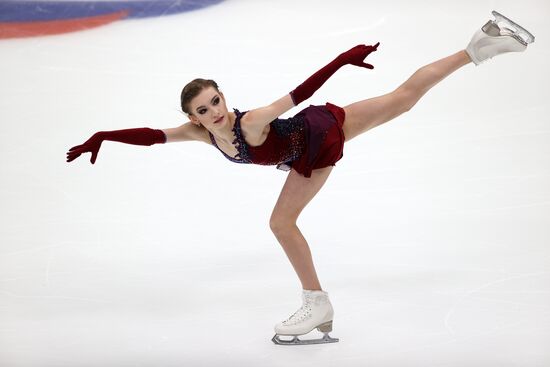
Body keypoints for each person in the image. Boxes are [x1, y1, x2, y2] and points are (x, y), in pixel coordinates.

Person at [66, 10, 534, 345]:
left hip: (316, 135)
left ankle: (317, 302)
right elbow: (152, 136)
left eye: (215, 101)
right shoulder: (202, 135)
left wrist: (342, 59)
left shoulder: (248, 122)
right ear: (193, 115)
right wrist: (102, 136)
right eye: (202, 110)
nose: (212, 112)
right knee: (403, 99)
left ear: (224, 96)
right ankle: (485, 42)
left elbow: (300, 91)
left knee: (283, 220)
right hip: (300, 147)